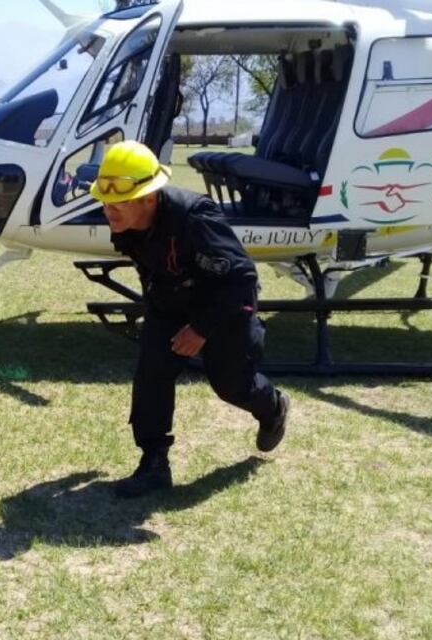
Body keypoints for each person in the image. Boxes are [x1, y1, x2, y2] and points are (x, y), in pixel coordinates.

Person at [88, 141, 290, 499]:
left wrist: (200, 328)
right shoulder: (126, 221)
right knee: (152, 373)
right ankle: (154, 464)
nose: (109, 211)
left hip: (224, 304)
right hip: (170, 304)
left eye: (118, 203)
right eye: (105, 202)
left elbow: (241, 277)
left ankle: (272, 406)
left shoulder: (195, 218)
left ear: (148, 198)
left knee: (230, 384)